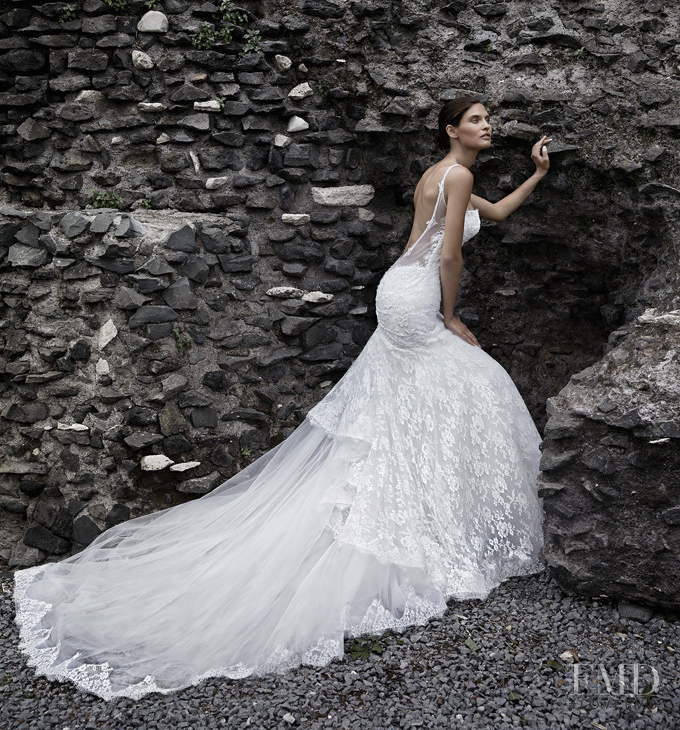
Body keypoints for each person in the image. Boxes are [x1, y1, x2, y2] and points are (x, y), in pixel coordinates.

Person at [13, 94, 551, 701]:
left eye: (488, 120)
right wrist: (450, 316)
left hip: (401, 289)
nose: (488, 127)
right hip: (420, 295)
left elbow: (490, 218)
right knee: (472, 378)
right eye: (477, 120)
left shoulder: (442, 175)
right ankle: (418, 514)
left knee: (419, 398)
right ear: (453, 129)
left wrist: (536, 173)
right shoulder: (458, 173)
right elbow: (448, 254)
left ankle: (419, 501)